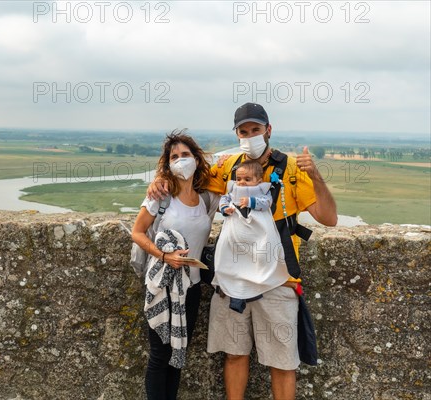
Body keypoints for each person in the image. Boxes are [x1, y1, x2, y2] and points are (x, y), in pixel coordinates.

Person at [148, 103, 337, 400]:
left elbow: (329, 218)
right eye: (243, 131)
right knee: (234, 355)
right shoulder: (228, 166)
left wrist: (316, 176)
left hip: (278, 280)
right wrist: (161, 180)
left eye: (255, 130)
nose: (249, 136)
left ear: (268, 130)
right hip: (232, 279)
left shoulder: (290, 170)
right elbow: (187, 179)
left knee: (282, 364)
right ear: (236, 133)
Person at [131, 129, 219, 400]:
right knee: (160, 355)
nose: (181, 160)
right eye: (174, 156)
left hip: (191, 287)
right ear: (167, 163)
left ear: (196, 158)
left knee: (177, 353)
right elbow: (137, 231)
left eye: (186, 155)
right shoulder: (161, 195)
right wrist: (164, 256)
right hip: (162, 286)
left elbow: (235, 162)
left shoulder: (208, 198)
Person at [212, 159, 291, 312]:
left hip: (257, 236)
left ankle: (258, 285)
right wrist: (225, 208)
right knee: (229, 260)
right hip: (235, 237)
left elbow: (266, 203)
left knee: (260, 258)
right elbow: (224, 199)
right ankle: (236, 294)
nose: (242, 183)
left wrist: (251, 201)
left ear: (258, 180)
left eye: (247, 179)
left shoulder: (262, 191)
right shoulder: (232, 190)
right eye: (239, 179)